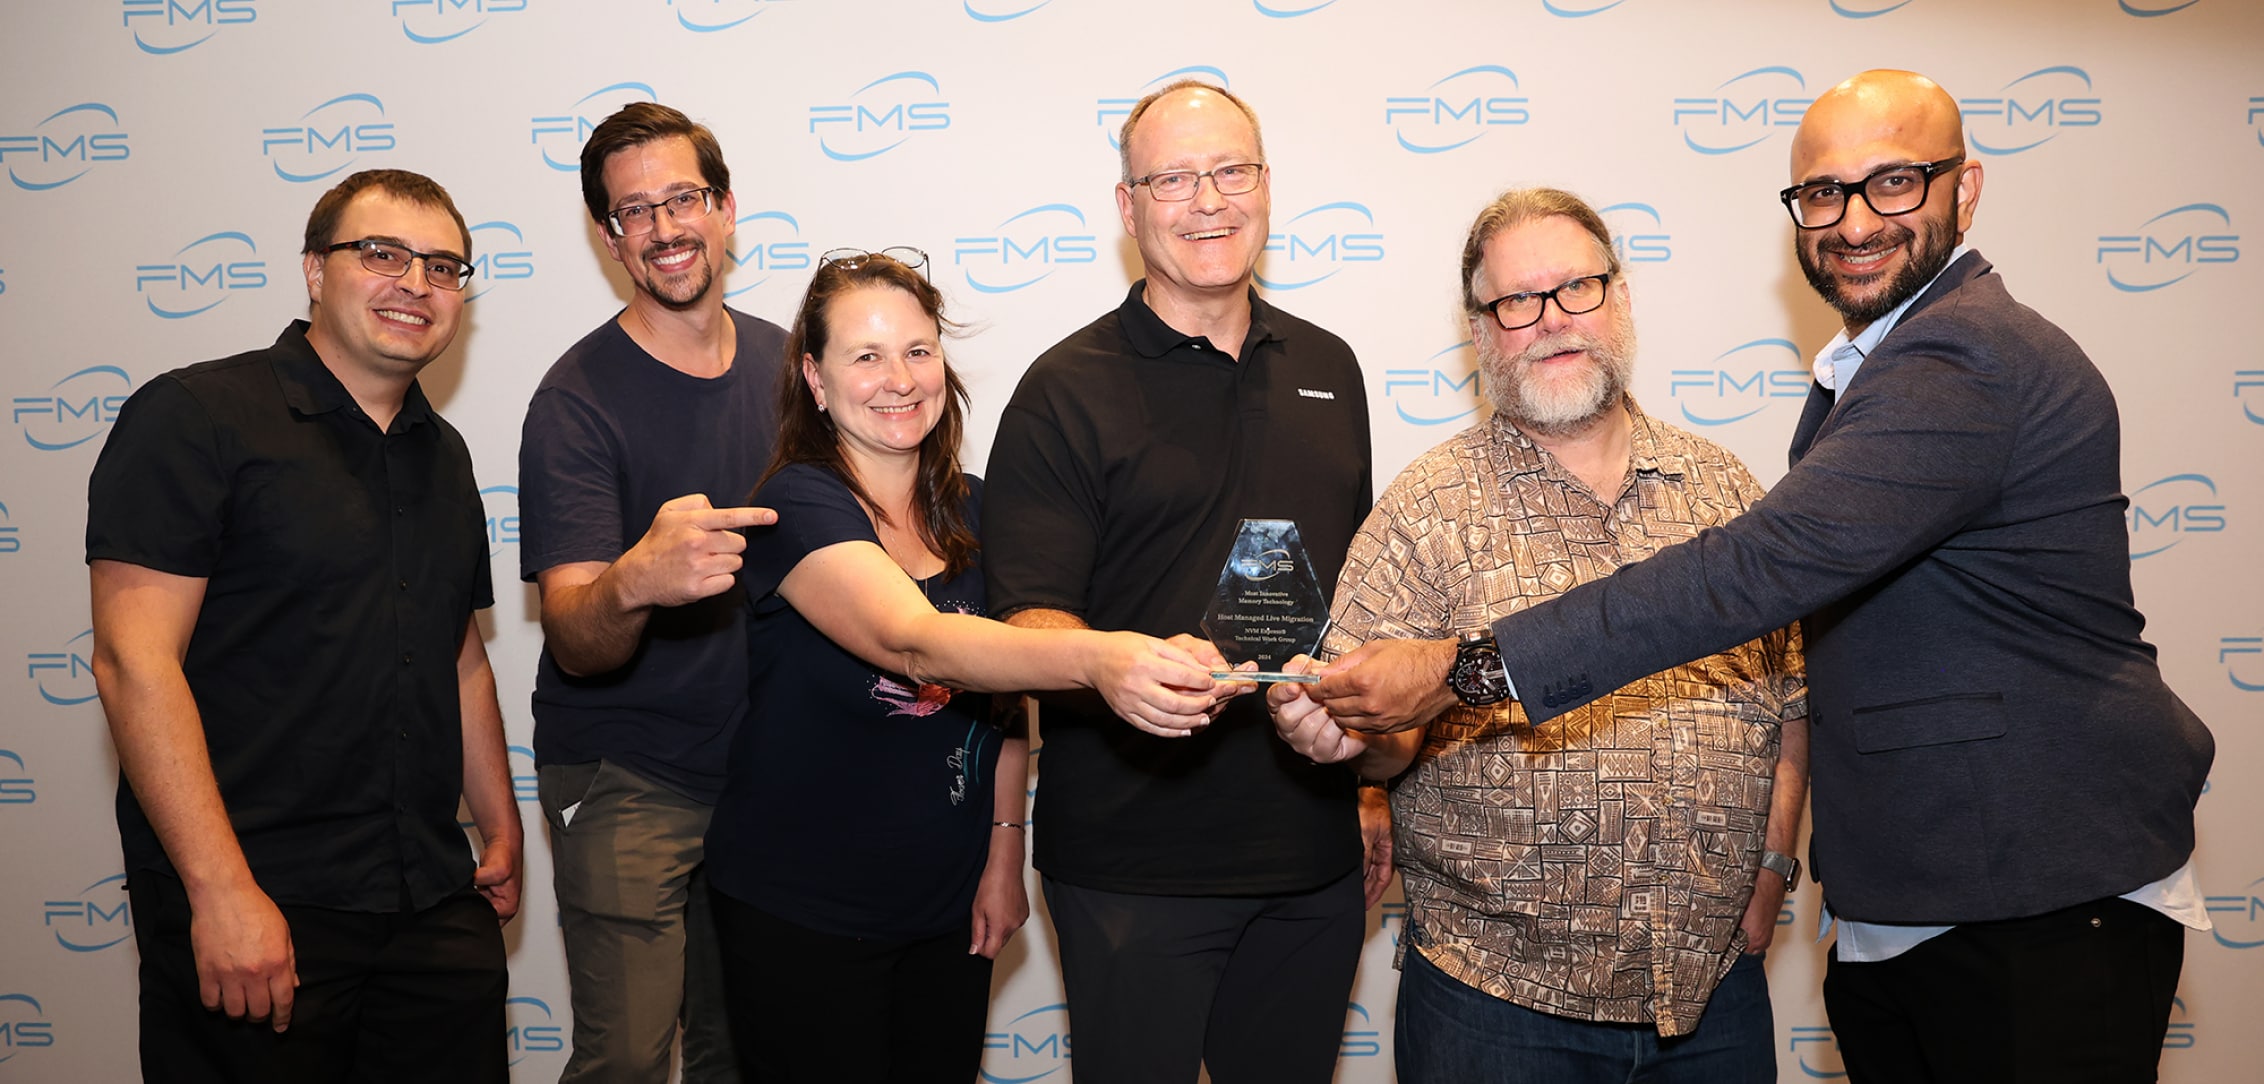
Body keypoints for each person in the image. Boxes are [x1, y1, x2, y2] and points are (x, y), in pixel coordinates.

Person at [1309, 70, 2214, 1083]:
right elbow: (1359, 727)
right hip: (1548, 987)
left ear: (1964, 189)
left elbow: (1754, 582)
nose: (1854, 221)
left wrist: (1469, 669)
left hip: (2022, 896)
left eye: (1894, 183)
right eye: (1822, 194)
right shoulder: (1864, 376)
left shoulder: (1956, 361)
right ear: (1476, 331)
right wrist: (1358, 746)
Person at [1269, 187, 1807, 1083]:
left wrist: (1774, 864)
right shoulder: (1428, 507)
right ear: (1479, 331)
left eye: (1578, 288)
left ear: (1621, 297)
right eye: (1518, 301)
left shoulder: (1725, 492)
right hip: (1497, 1009)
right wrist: (1344, 734)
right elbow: (1380, 741)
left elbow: (1794, 699)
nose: (1553, 320)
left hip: (1713, 996)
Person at [703, 248, 1222, 1081]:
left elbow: (1007, 695)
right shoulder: (798, 503)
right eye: (865, 356)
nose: (898, 379)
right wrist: (1098, 657)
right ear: (815, 377)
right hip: (801, 906)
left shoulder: (977, 507)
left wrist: (1002, 857)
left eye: (917, 350)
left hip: (945, 904)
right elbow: (915, 640)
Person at [981, 80, 1380, 1082]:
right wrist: (1112, 665)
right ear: (1127, 207)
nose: (1208, 200)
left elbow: (1357, 603)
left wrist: (1373, 789)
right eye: (1172, 178)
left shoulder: (1329, 367)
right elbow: (1021, 624)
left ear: (1265, 186)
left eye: (1230, 170)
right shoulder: (1061, 391)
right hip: (1131, 868)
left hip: (1310, 859)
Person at [87, 168, 517, 1082]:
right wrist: (221, 890)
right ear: (315, 271)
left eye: (444, 267)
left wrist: (498, 820)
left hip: (428, 901)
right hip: (260, 905)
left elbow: (456, 651)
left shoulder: (444, 455)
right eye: (383, 254)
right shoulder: (198, 415)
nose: (416, 282)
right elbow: (133, 661)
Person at [516, 102, 786, 1083]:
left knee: (742, 1049)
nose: (665, 227)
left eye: (682, 198)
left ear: (724, 208)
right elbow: (580, 639)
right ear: (608, 238)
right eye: (636, 211)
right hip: (628, 773)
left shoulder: (789, 366)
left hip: (763, 775)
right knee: (628, 1060)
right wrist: (636, 578)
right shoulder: (574, 400)